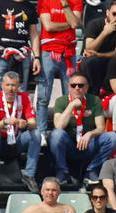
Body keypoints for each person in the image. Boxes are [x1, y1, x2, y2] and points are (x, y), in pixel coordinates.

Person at [0, 0, 40, 140]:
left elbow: (33, 33)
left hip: (22, 57)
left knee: (21, 95)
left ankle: (19, 131)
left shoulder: (29, 7)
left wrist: (37, 57)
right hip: (1, 54)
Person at [50, 72, 116, 187]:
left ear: (87, 87)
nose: (77, 88)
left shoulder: (95, 100)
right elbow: (58, 126)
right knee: (56, 135)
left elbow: (101, 128)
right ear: (68, 87)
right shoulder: (61, 101)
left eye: (81, 85)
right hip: (69, 146)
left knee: (113, 137)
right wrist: (71, 105)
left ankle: (91, 170)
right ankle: (62, 172)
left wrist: (90, 134)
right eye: (73, 85)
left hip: (88, 145)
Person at [0, 70, 40, 193]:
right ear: (2, 85)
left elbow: (33, 122)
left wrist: (23, 123)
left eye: (13, 85)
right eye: (8, 85)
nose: (11, 89)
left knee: (36, 134)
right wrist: (5, 121)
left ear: (18, 86)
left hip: (14, 142)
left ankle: (29, 175)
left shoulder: (24, 97)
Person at [35, 0, 82, 136]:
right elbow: (48, 26)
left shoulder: (76, 1)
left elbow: (75, 23)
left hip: (69, 52)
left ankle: (69, 132)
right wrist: (69, 23)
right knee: (44, 96)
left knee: (71, 96)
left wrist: (65, 4)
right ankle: (41, 133)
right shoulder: (44, 1)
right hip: (48, 51)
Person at [77, 1, 116, 97]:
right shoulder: (94, 24)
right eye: (114, 14)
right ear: (107, 13)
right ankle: (92, 95)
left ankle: (110, 94)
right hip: (90, 60)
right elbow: (89, 48)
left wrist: (100, 55)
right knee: (91, 61)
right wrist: (104, 33)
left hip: (107, 60)